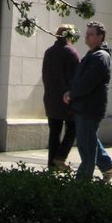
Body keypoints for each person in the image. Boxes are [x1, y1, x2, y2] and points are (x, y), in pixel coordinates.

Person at [64, 20, 112, 182]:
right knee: (89, 140)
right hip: (85, 107)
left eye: (90, 35)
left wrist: (72, 94)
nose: (86, 38)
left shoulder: (100, 56)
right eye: (86, 34)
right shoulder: (94, 54)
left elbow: (88, 82)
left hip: (89, 108)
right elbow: (82, 80)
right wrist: (71, 92)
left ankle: (82, 183)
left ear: (100, 37)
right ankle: (108, 166)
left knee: (86, 148)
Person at [41, 24, 80, 171]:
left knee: (54, 132)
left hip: (51, 98)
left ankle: (52, 164)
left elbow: (45, 75)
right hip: (66, 98)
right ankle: (60, 157)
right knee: (73, 127)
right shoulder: (71, 53)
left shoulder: (49, 52)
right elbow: (77, 77)